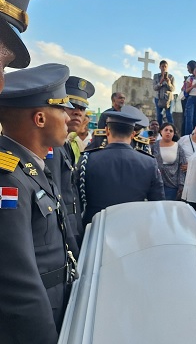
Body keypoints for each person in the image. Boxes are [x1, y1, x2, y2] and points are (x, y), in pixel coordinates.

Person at [0, 64, 80, 343]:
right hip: (36, 321)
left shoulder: (33, 167)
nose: (69, 118)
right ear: (40, 119)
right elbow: (14, 279)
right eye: (62, 109)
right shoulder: (8, 178)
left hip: (56, 302)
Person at [78, 112, 165, 225]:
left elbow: (78, 200)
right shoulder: (149, 162)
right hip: (134, 226)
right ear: (133, 134)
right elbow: (158, 203)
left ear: (107, 131)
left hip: (97, 229)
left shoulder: (88, 159)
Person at [46, 75, 95, 250]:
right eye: (72, 105)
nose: (78, 112)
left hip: (73, 225)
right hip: (63, 232)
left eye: (83, 108)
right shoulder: (51, 147)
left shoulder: (65, 144)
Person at [151, 122, 186, 200]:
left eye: (171, 131)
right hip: (156, 184)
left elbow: (182, 167)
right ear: (161, 131)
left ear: (174, 133)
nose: (168, 132)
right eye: (166, 130)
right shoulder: (154, 145)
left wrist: (181, 185)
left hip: (172, 185)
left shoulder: (178, 147)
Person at [152, 59, 175, 125]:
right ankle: (159, 131)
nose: (164, 68)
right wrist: (161, 82)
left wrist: (169, 82)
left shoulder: (171, 77)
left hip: (168, 99)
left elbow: (173, 89)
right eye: (162, 66)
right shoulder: (156, 76)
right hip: (159, 98)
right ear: (160, 67)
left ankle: (172, 131)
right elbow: (155, 88)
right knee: (159, 116)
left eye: (165, 66)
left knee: (169, 115)